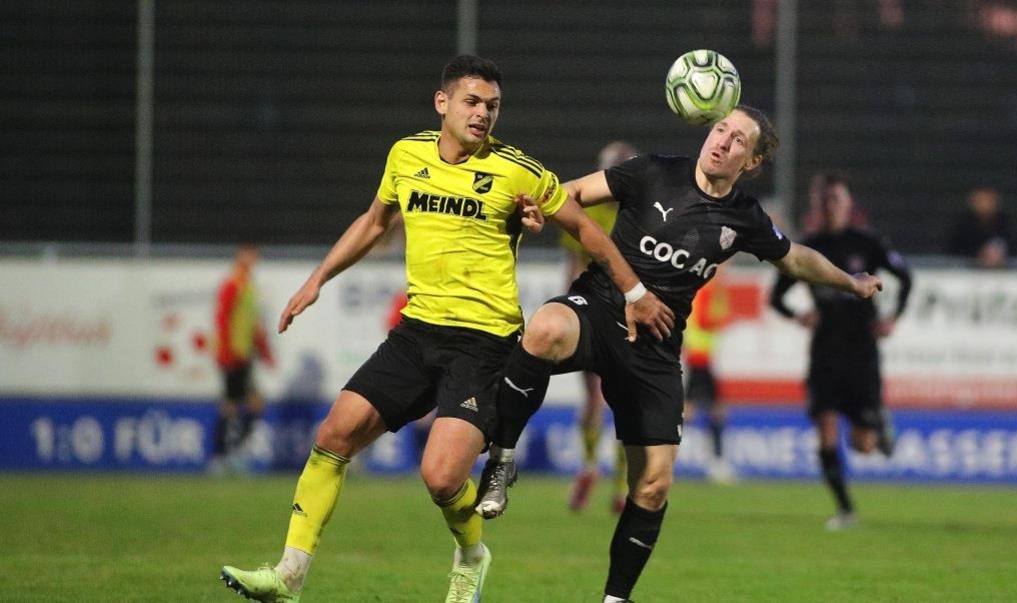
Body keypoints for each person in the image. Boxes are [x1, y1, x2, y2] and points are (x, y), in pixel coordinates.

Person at [219, 54, 672, 603]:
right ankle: (288, 576)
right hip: (416, 333)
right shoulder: (405, 155)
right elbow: (374, 222)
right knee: (333, 435)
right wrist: (318, 278)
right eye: (472, 102)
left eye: (493, 106)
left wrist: (635, 293)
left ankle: (472, 555)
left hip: (485, 344)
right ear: (442, 102)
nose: (483, 114)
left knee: (440, 477)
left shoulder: (517, 170)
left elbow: (585, 229)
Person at [474, 105, 883, 603]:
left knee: (653, 484)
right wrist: (539, 210)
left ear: (751, 162)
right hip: (598, 307)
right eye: (720, 130)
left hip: (656, 343)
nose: (722, 142)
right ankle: (502, 460)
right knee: (543, 328)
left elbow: (795, 257)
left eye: (738, 140)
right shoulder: (653, 170)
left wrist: (848, 282)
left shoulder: (744, 217)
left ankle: (615, 600)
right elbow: (573, 192)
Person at [769, 172, 912, 531]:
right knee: (826, 426)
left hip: (862, 352)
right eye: (824, 200)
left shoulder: (868, 242)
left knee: (863, 445)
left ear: (849, 204)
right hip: (825, 353)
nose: (829, 206)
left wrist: (892, 317)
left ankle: (878, 423)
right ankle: (846, 509)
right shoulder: (807, 248)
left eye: (835, 199)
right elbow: (776, 296)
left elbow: (906, 277)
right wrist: (798, 315)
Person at [562, 141, 638, 514]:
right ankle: (609, 479)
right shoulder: (593, 211)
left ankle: (602, 474)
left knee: (604, 399)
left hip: (624, 314)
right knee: (612, 398)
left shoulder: (634, 212)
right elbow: (574, 267)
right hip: (600, 313)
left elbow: (573, 269)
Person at [209, 244, 274, 475]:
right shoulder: (232, 285)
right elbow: (223, 319)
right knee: (231, 406)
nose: (254, 258)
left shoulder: (247, 286)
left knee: (248, 404)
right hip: (232, 355)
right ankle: (221, 457)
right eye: (250, 253)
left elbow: (253, 324)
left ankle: (231, 454)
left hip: (244, 355)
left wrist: (265, 352)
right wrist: (226, 352)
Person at [682, 269, 733, 483]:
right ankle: (716, 460)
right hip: (698, 357)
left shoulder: (713, 291)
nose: (724, 274)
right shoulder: (704, 291)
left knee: (710, 410)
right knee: (705, 411)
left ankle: (715, 459)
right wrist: (723, 320)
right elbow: (704, 320)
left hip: (704, 357)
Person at [945, 186, 1017, 269]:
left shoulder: (1005, 225)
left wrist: (1000, 255)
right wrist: (978, 254)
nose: (985, 205)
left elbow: (1014, 248)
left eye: (989, 200)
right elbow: (952, 251)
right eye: (981, 200)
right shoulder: (962, 227)